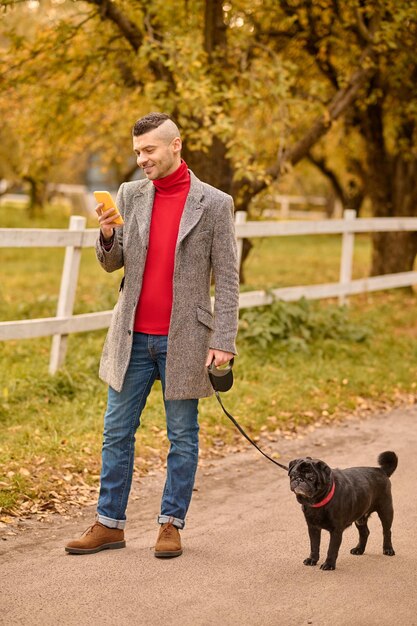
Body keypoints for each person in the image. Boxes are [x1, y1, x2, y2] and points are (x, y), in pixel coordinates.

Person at [65, 112, 240, 558]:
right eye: (137, 151)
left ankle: (170, 523)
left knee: (182, 435)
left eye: (149, 150)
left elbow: (228, 276)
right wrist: (106, 234)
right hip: (132, 337)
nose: (141, 159)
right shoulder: (129, 194)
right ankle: (109, 524)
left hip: (186, 339)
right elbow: (113, 263)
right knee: (116, 432)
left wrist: (223, 340)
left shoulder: (215, 203)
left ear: (175, 145)